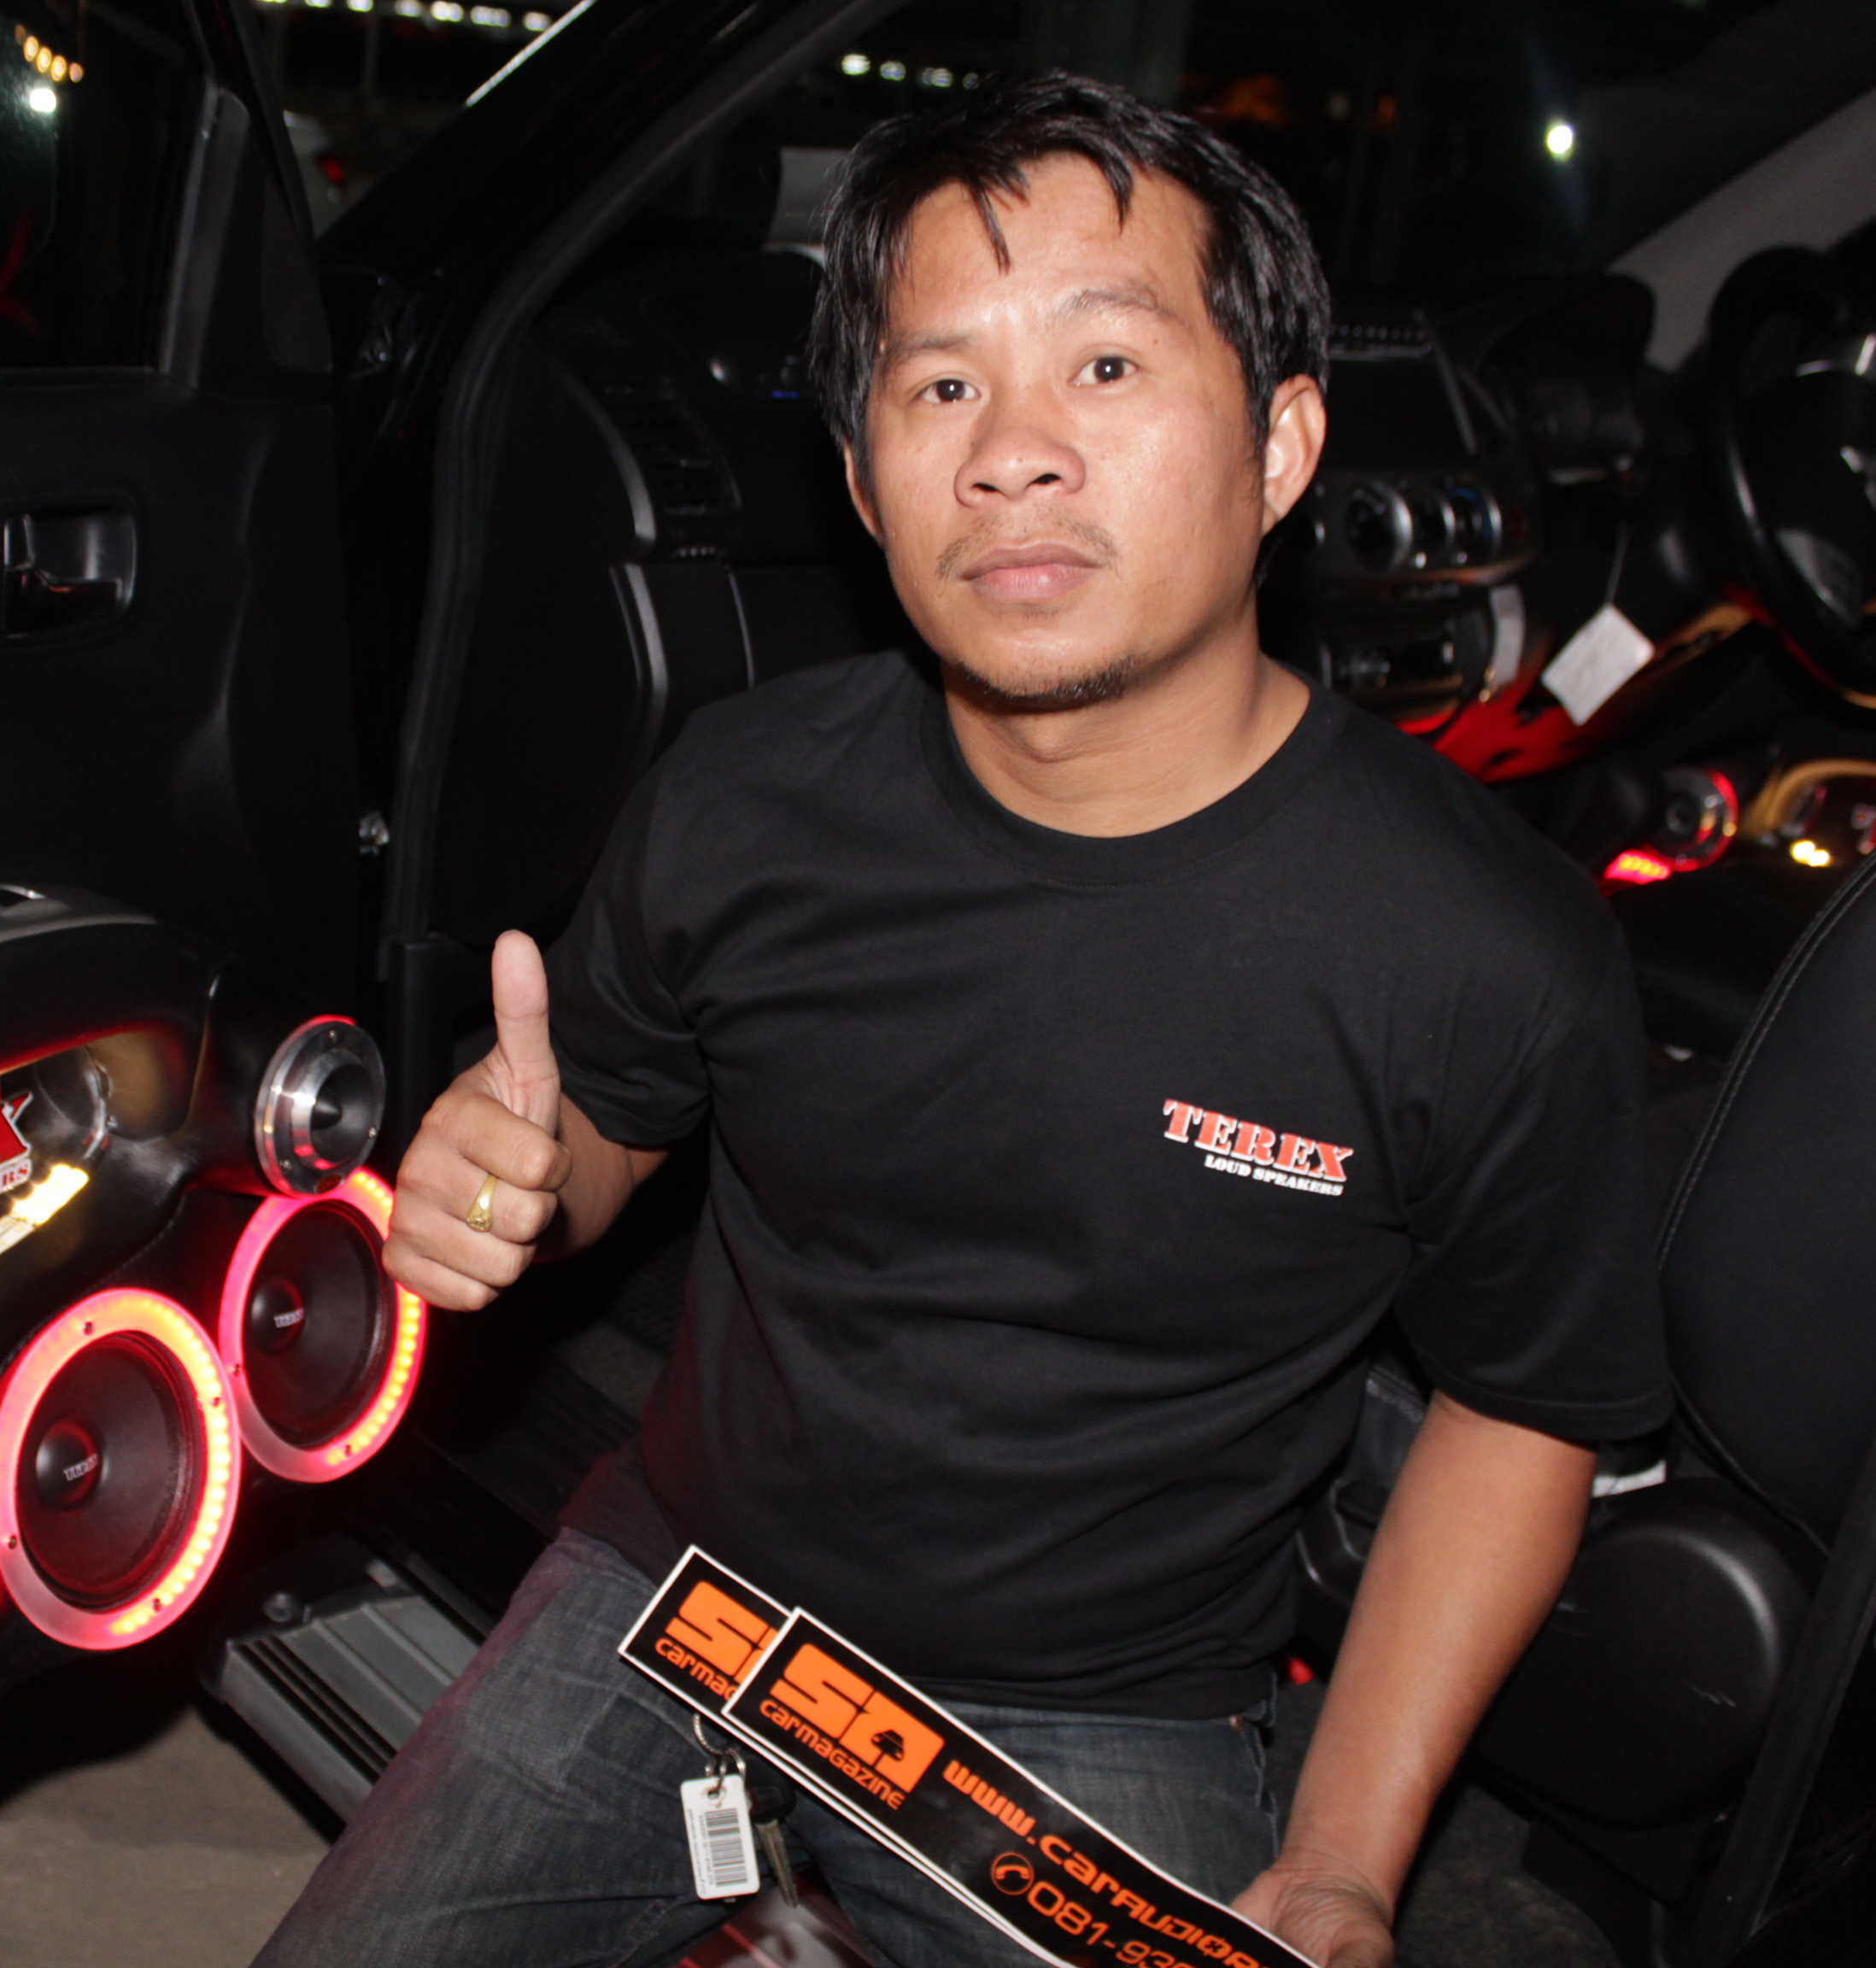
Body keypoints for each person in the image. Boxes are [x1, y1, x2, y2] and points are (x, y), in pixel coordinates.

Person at [255, 72, 1668, 1968]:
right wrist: (511, 1179)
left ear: (1281, 444)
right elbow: (601, 1127)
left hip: (1110, 1708)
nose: (1011, 455)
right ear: (862, 484)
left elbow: (1519, 1414)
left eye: (1106, 366)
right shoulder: (747, 795)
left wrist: (1345, 1855)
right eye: (938, 388)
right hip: (686, 1589)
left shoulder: (1481, 953)